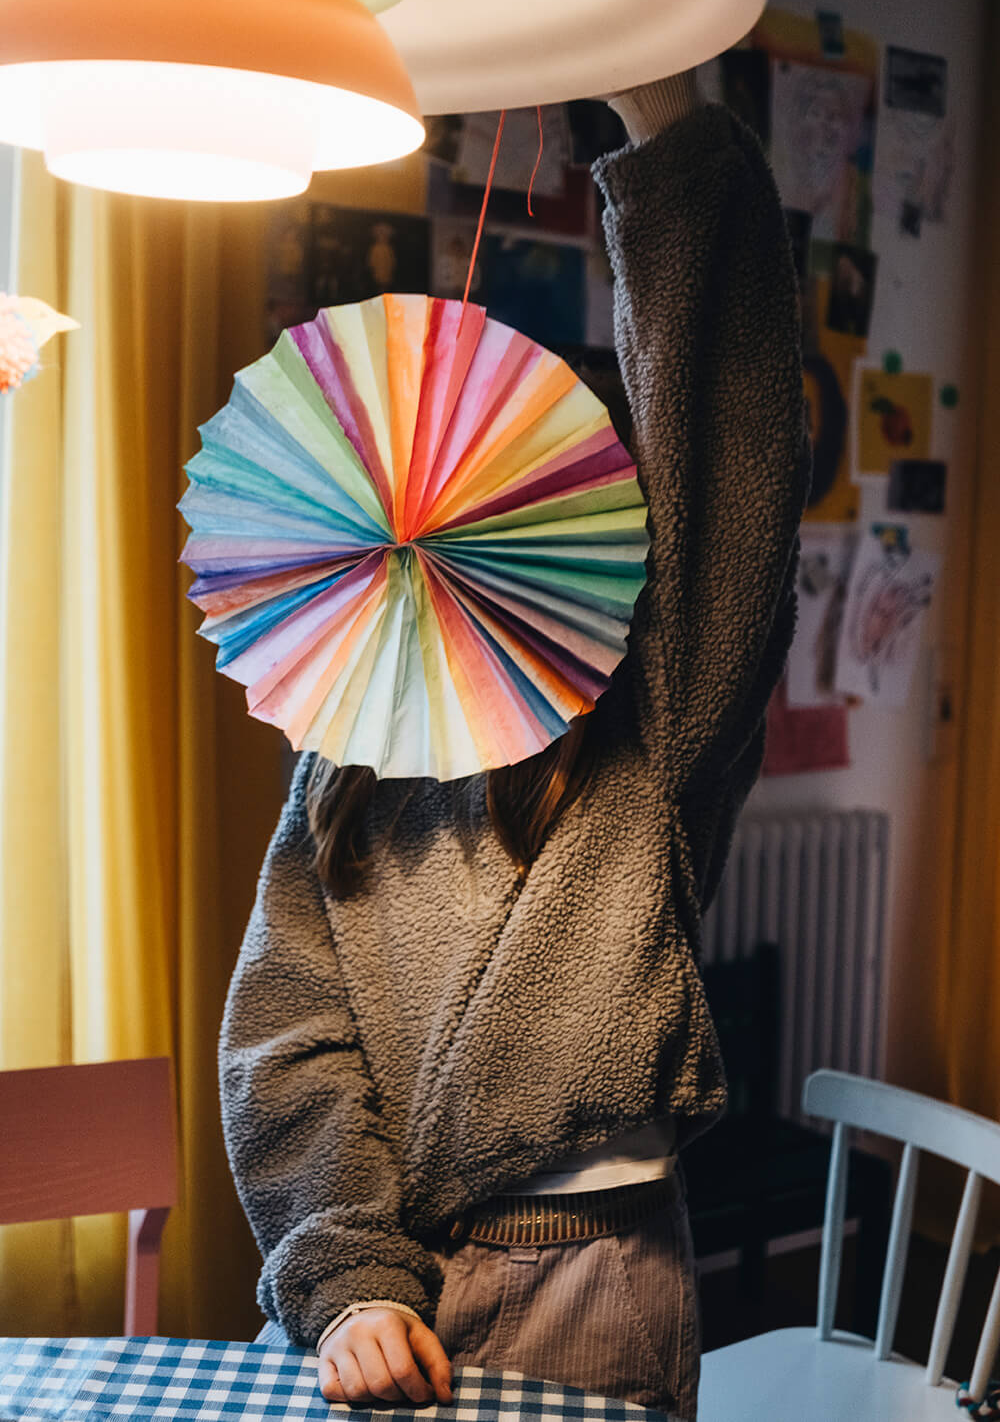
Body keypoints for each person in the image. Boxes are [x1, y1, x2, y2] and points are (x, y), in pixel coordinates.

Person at [219, 69, 811, 1421]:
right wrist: (350, 1279)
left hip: (587, 1285)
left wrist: (667, 132)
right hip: (378, 1300)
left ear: (566, 543)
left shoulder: (652, 718)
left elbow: (731, 471)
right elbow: (286, 1044)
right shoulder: (342, 761)